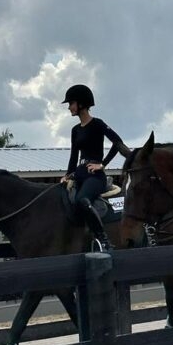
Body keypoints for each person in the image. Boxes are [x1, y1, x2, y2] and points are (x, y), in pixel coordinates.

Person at [60, 85, 126, 252]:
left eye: (71, 103)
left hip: (95, 176)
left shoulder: (97, 124)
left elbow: (117, 143)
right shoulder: (75, 130)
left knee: (83, 200)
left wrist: (102, 164)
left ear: (81, 104)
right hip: (80, 174)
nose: (69, 107)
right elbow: (73, 156)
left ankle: (104, 240)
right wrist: (68, 175)